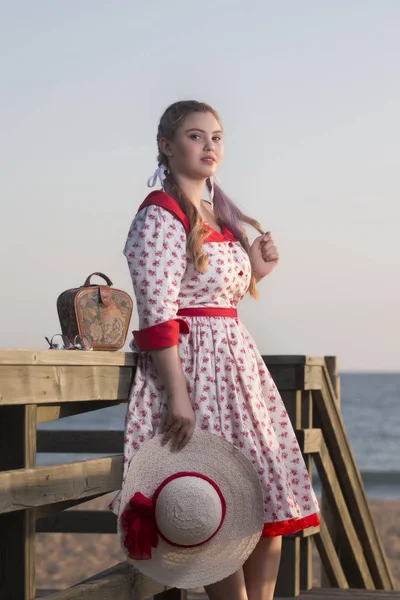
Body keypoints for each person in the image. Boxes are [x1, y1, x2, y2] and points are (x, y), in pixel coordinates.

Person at [110, 100, 320, 600]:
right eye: (196, 136)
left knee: (266, 501)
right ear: (166, 146)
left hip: (238, 369)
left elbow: (213, 293)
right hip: (196, 371)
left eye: (217, 137)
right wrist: (178, 394)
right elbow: (158, 312)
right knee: (217, 506)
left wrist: (255, 270)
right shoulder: (158, 216)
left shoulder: (215, 211)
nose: (210, 146)